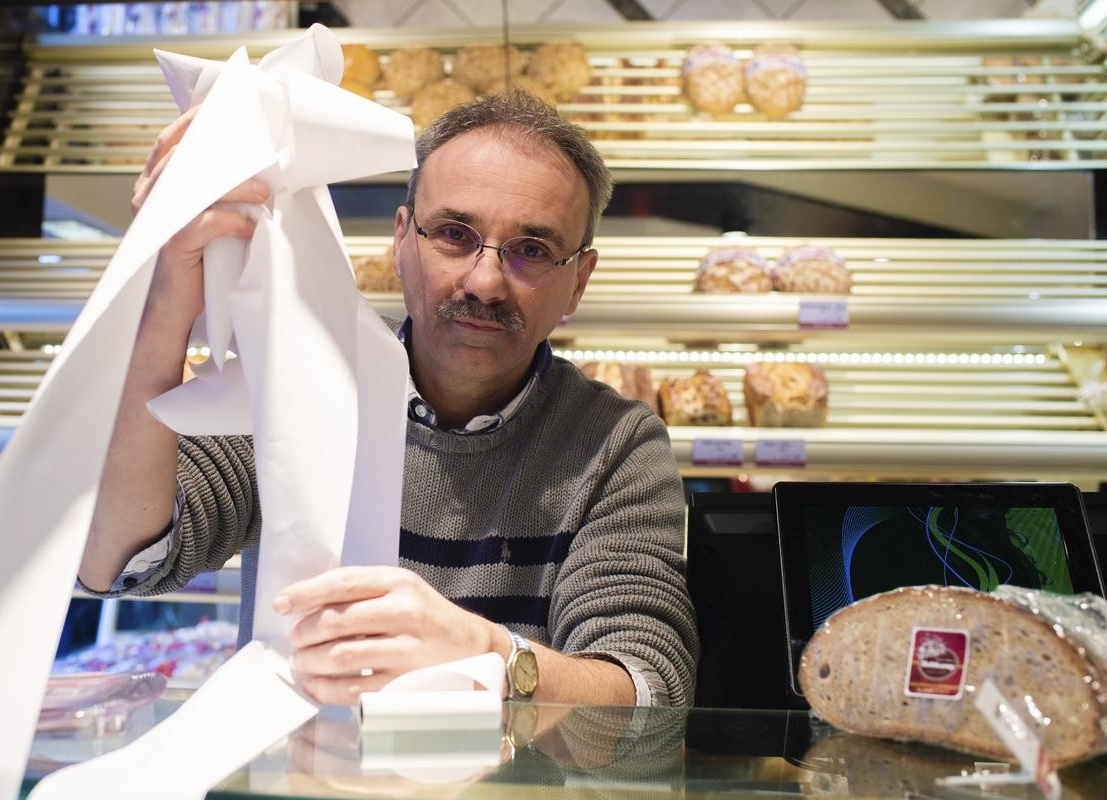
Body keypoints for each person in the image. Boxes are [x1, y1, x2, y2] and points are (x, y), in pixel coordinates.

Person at [79, 90, 698, 707]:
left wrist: (487, 653)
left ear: (578, 282)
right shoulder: (303, 394)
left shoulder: (615, 446)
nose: (485, 282)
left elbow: (648, 693)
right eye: (455, 234)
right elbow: (120, 559)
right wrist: (165, 295)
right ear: (401, 244)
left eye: (531, 251)